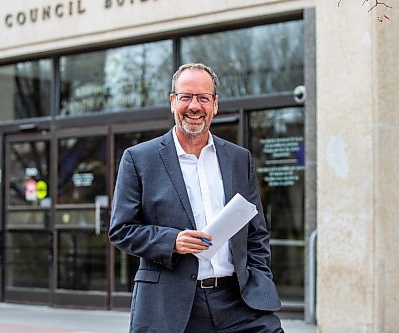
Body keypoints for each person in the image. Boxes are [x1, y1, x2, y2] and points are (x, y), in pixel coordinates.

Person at [109, 63, 283, 333]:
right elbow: (121, 230)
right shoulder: (139, 159)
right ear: (172, 102)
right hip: (173, 307)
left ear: (214, 104)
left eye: (202, 98)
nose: (194, 106)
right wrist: (172, 241)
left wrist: (259, 277)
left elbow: (256, 233)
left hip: (239, 303)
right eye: (186, 97)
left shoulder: (239, 159)